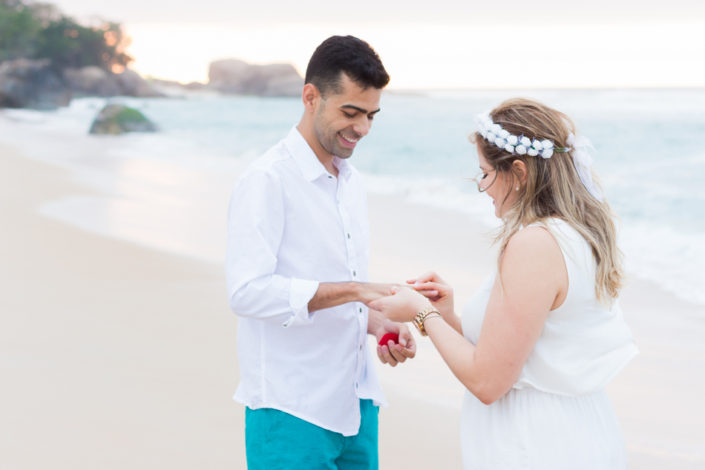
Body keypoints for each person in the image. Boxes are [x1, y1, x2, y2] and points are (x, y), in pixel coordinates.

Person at [369, 98, 638, 469]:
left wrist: (421, 311)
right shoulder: (574, 234)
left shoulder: (534, 244)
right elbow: (519, 354)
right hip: (571, 432)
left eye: (485, 173)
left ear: (518, 172)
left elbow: (488, 381)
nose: (483, 187)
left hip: (536, 444)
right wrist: (447, 317)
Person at [225, 35, 416, 470]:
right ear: (311, 97)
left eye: (371, 115)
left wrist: (377, 322)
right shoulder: (266, 180)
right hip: (290, 408)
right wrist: (354, 291)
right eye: (350, 112)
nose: (362, 128)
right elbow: (246, 292)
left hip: (357, 401)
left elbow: (336, 285)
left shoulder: (352, 182)